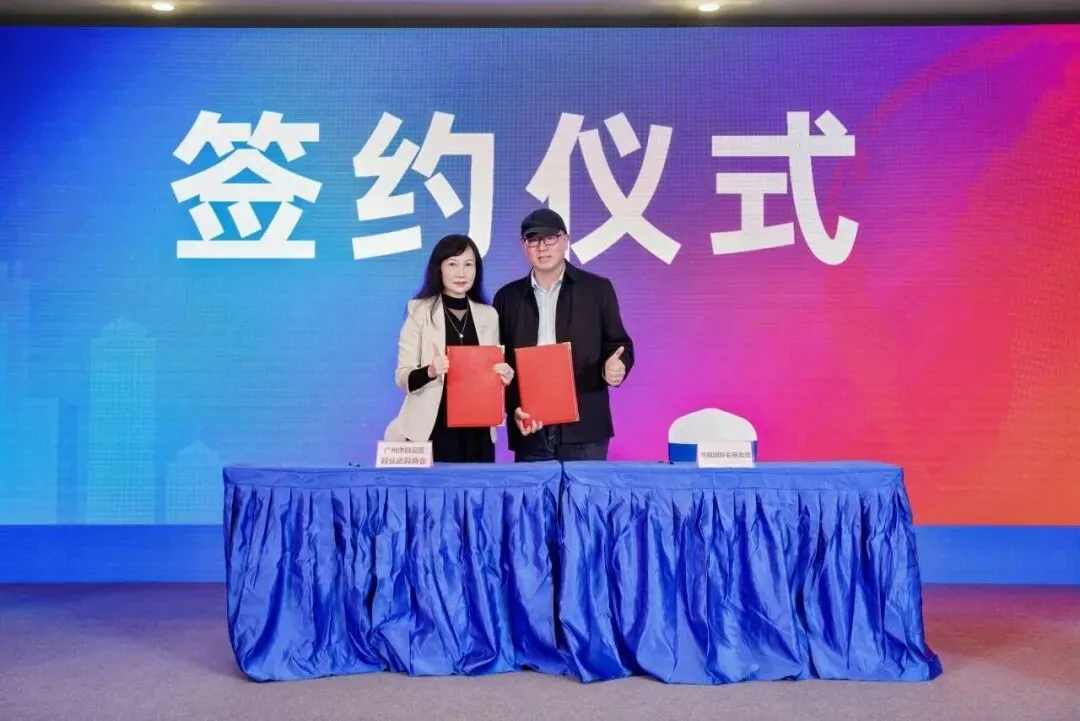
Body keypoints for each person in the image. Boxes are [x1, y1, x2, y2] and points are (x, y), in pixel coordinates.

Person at [492, 208, 634, 462]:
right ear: (524, 246)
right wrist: (513, 409)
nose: (542, 247)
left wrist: (616, 366)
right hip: (530, 426)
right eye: (533, 240)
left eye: (550, 238)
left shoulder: (597, 289)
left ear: (566, 240)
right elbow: (500, 363)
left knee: (585, 490)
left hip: (585, 425)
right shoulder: (507, 298)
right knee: (533, 491)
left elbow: (618, 344)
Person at [385, 233, 514, 463]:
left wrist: (504, 375)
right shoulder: (419, 311)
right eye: (452, 264)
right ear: (439, 268)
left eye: (468, 264)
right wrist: (430, 371)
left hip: (478, 429)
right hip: (433, 427)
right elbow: (402, 378)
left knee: (479, 486)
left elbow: (493, 369)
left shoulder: (489, 315)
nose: (461, 273)